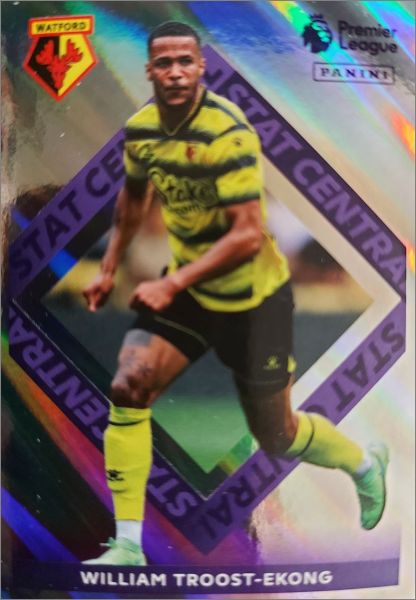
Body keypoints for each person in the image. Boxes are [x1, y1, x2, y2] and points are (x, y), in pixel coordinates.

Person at [82, 21, 388, 565]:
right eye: (164, 62)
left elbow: (247, 235)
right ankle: (127, 544)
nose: (175, 71)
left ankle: (364, 463)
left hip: (254, 300)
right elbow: (132, 200)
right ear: (150, 71)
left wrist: (171, 281)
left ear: (201, 67)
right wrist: (109, 268)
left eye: (185, 60)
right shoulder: (142, 130)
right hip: (190, 292)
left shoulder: (228, 133)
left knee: (277, 434)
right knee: (129, 386)